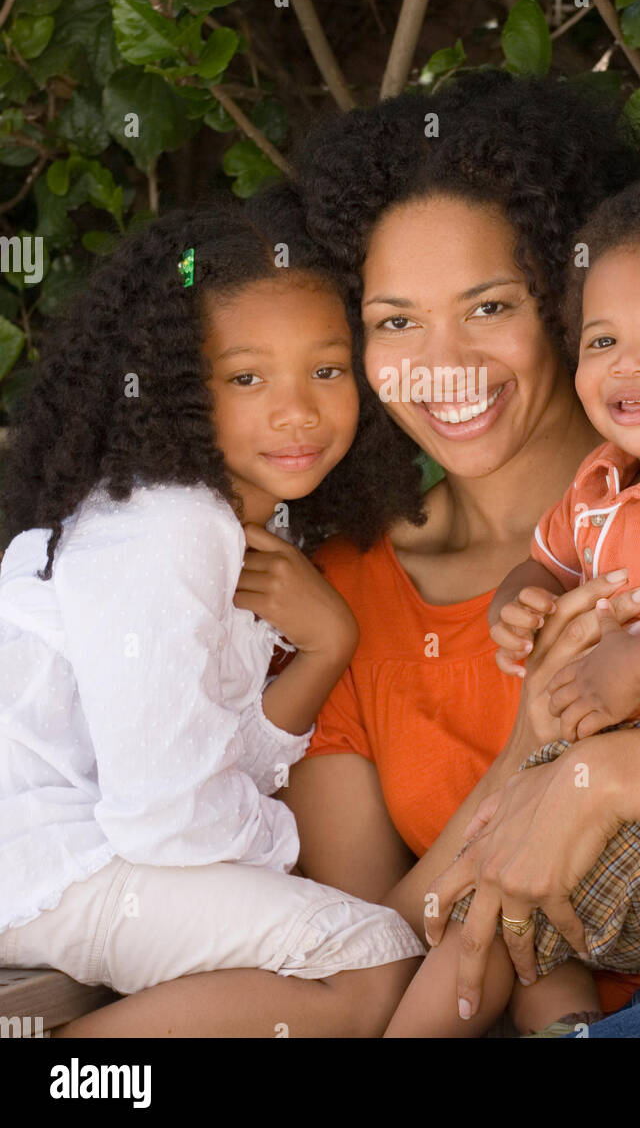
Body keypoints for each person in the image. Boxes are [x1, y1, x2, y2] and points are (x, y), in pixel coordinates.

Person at [283, 70, 640, 1039]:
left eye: (487, 306)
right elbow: (367, 946)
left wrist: (601, 782)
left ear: (564, 301)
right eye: (394, 322)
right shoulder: (341, 594)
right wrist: (520, 761)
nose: (442, 362)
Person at [0, 190, 424, 1038]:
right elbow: (168, 817)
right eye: (245, 377)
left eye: (327, 369)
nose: (297, 410)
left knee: (360, 947)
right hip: (53, 866)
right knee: (374, 955)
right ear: (174, 389)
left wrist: (326, 647)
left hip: (101, 854)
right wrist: (279, 854)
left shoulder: (242, 521)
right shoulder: (170, 526)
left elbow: (218, 757)